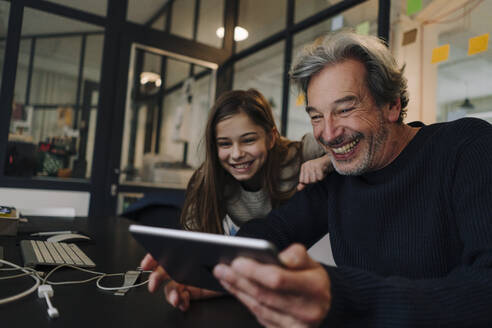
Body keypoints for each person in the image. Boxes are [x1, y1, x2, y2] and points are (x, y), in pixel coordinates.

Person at [210, 30, 492, 327]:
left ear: (392, 105)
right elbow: (275, 230)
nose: (328, 135)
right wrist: (213, 270)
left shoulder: (468, 148)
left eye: (344, 109)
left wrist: (344, 297)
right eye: (316, 116)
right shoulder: (339, 175)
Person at [141, 88, 332, 311]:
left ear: (271, 137)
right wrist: (188, 271)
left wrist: (326, 161)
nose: (236, 154)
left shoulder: (300, 153)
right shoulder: (208, 181)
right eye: (224, 144)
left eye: (248, 140)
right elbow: (197, 245)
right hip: (251, 262)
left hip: (290, 263)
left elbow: (346, 145)